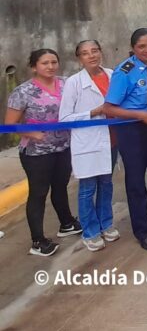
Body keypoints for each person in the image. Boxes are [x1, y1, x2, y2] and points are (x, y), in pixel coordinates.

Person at [5, 49, 81, 256]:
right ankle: (38, 241)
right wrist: (32, 133)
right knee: (38, 193)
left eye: (53, 62)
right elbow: (9, 124)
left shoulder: (67, 84)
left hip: (63, 147)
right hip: (36, 152)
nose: (50, 66)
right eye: (44, 63)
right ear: (34, 67)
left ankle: (67, 223)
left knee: (61, 186)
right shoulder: (23, 92)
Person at [103, 28, 147, 251]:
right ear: (133, 48)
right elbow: (109, 107)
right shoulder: (125, 71)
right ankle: (143, 230)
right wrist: (140, 115)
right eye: (142, 46)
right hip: (132, 130)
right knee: (136, 181)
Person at [59, 40, 118, 252]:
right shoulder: (74, 83)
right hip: (88, 142)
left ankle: (106, 223)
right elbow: (64, 118)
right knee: (87, 189)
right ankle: (90, 231)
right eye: (85, 53)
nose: (91, 55)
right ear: (79, 58)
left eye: (95, 51)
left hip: (111, 141)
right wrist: (94, 111)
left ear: (101, 52)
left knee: (106, 184)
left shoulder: (112, 74)